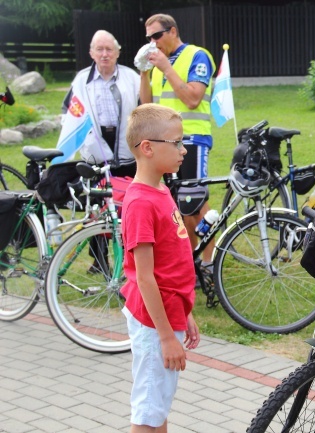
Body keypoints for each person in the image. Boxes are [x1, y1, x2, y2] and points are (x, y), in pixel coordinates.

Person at [120, 103, 200, 433]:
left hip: (168, 314)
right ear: (148, 148)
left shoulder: (161, 188)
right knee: (147, 412)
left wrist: (186, 312)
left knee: (158, 405)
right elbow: (145, 277)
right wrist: (167, 336)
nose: (183, 150)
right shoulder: (141, 202)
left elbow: (171, 264)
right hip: (156, 325)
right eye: (177, 143)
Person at [137, 13, 216, 267]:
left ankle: (208, 261)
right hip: (164, 142)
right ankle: (188, 260)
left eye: (157, 35)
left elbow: (193, 98)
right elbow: (146, 105)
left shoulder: (196, 55)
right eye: (149, 37)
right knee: (175, 205)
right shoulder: (159, 64)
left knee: (193, 202)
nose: (153, 42)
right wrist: (143, 73)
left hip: (191, 138)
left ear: (173, 31)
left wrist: (166, 68)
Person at [62, 30, 140, 177]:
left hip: (127, 151)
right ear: (92, 53)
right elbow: (68, 111)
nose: (105, 54)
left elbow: (145, 109)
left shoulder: (132, 78)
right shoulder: (81, 80)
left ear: (117, 52)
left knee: (127, 197)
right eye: (99, 49)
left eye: (109, 49)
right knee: (97, 198)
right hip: (94, 155)